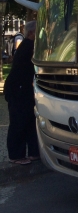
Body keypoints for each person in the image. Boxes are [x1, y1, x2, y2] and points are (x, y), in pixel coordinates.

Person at [4, 20, 39, 165]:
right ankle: (16, 155)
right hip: (19, 89)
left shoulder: (28, 46)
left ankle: (33, 151)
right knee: (19, 121)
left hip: (23, 88)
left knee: (30, 120)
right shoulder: (29, 46)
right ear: (32, 33)